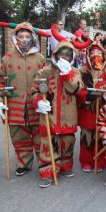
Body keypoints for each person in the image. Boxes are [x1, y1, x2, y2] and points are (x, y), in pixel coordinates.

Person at [0, 22, 49, 176]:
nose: (24, 40)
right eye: (21, 36)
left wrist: (46, 98)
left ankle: (45, 165)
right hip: (15, 106)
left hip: (36, 106)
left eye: (27, 37)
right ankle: (23, 163)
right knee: (19, 138)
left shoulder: (40, 58)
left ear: (33, 38)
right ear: (15, 38)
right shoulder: (7, 59)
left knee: (40, 137)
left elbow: (48, 81)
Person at [32, 36, 83, 188]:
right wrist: (38, 102)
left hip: (68, 115)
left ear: (72, 56)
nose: (64, 58)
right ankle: (47, 172)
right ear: (55, 54)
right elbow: (35, 90)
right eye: (61, 54)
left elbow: (77, 89)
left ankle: (66, 166)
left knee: (67, 142)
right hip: (50, 115)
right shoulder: (45, 71)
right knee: (48, 143)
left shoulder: (75, 72)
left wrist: (68, 75)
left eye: (68, 55)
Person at [76, 40, 106, 172]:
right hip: (87, 110)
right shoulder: (82, 71)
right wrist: (85, 95)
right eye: (93, 53)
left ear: (104, 55)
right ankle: (86, 160)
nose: (96, 56)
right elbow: (77, 88)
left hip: (103, 109)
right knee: (86, 135)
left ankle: (99, 159)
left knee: (101, 135)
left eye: (99, 53)